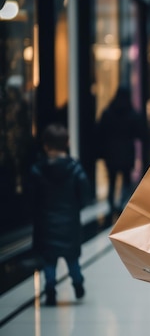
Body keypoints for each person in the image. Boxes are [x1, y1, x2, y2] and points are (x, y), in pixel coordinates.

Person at [25, 124, 92, 306]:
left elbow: (31, 198)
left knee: (49, 261)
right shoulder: (75, 169)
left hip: (46, 224)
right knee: (72, 260)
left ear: (45, 146)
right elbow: (85, 195)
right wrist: (75, 208)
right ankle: (77, 283)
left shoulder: (37, 171)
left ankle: (50, 289)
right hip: (69, 223)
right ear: (67, 143)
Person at [96, 86, 144, 219]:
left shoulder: (107, 112)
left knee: (111, 180)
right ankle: (122, 203)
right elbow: (139, 133)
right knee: (126, 180)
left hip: (110, 152)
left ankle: (111, 205)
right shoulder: (132, 114)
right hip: (127, 152)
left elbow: (100, 133)